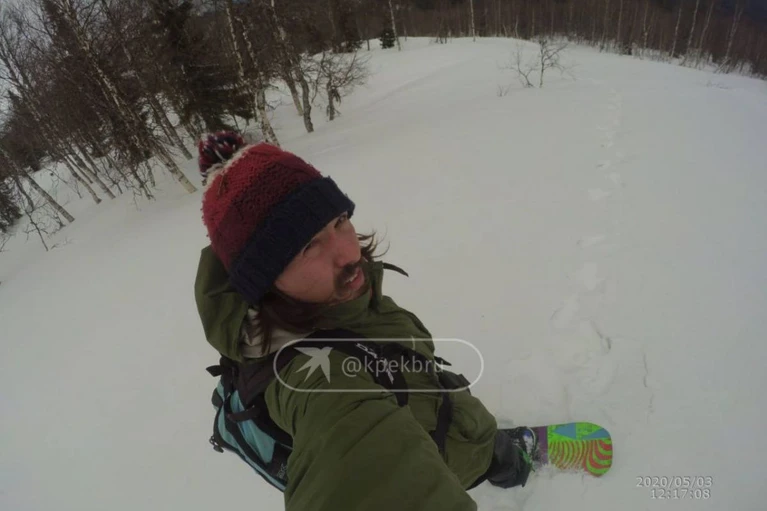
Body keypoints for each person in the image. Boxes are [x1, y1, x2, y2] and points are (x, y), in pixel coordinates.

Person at [193, 132, 538, 511]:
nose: (348, 252)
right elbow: (357, 458)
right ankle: (498, 463)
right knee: (486, 459)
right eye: (308, 246)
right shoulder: (317, 381)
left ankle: (490, 449)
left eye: (339, 221)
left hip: (440, 416)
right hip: (442, 460)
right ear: (264, 282)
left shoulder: (339, 295)